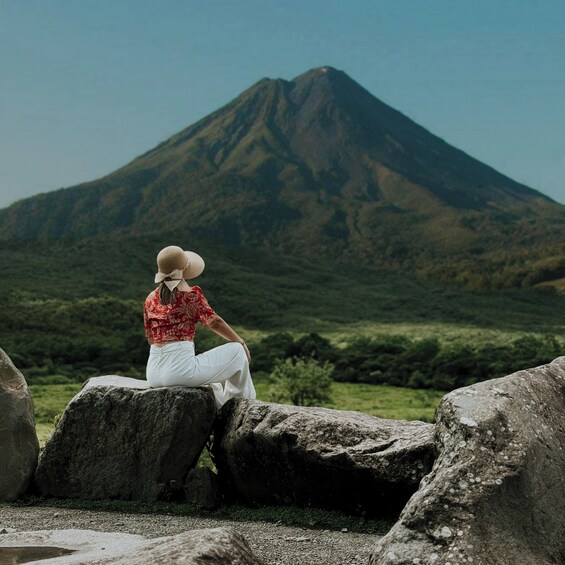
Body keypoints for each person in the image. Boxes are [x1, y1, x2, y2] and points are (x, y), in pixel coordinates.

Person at [143, 245, 256, 409]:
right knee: (237, 351)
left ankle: (219, 411)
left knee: (213, 385)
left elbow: (151, 339)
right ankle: (239, 409)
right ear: (184, 270)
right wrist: (242, 342)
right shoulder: (191, 296)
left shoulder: (150, 299)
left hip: (153, 372)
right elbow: (215, 322)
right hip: (179, 371)